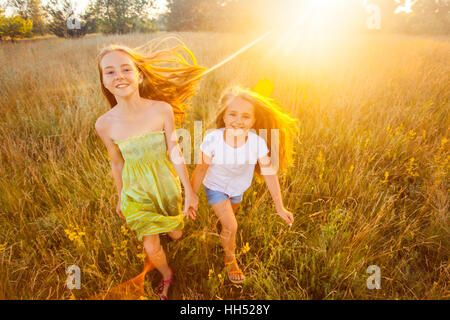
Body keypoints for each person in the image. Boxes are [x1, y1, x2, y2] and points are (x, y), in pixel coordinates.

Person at [94, 38, 204, 299]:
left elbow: (175, 150)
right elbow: (117, 161)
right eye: (109, 71)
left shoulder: (160, 110)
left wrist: (189, 191)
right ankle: (166, 274)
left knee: (176, 232)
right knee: (151, 241)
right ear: (103, 81)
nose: (118, 76)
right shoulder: (104, 124)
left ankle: (172, 231)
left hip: (164, 182)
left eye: (126, 68)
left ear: (138, 74)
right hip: (136, 189)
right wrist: (121, 195)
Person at [191, 86, 298, 284]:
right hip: (215, 186)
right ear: (224, 116)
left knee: (228, 220)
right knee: (231, 225)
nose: (238, 121)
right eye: (232, 114)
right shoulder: (213, 139)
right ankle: (230, 260)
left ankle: (221, 227)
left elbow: (268, 172)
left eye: (246, 116)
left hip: (238, 188)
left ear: (254, 121)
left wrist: (279, 206)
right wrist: (192, 196)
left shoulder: (256, 143)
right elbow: (201, 169)